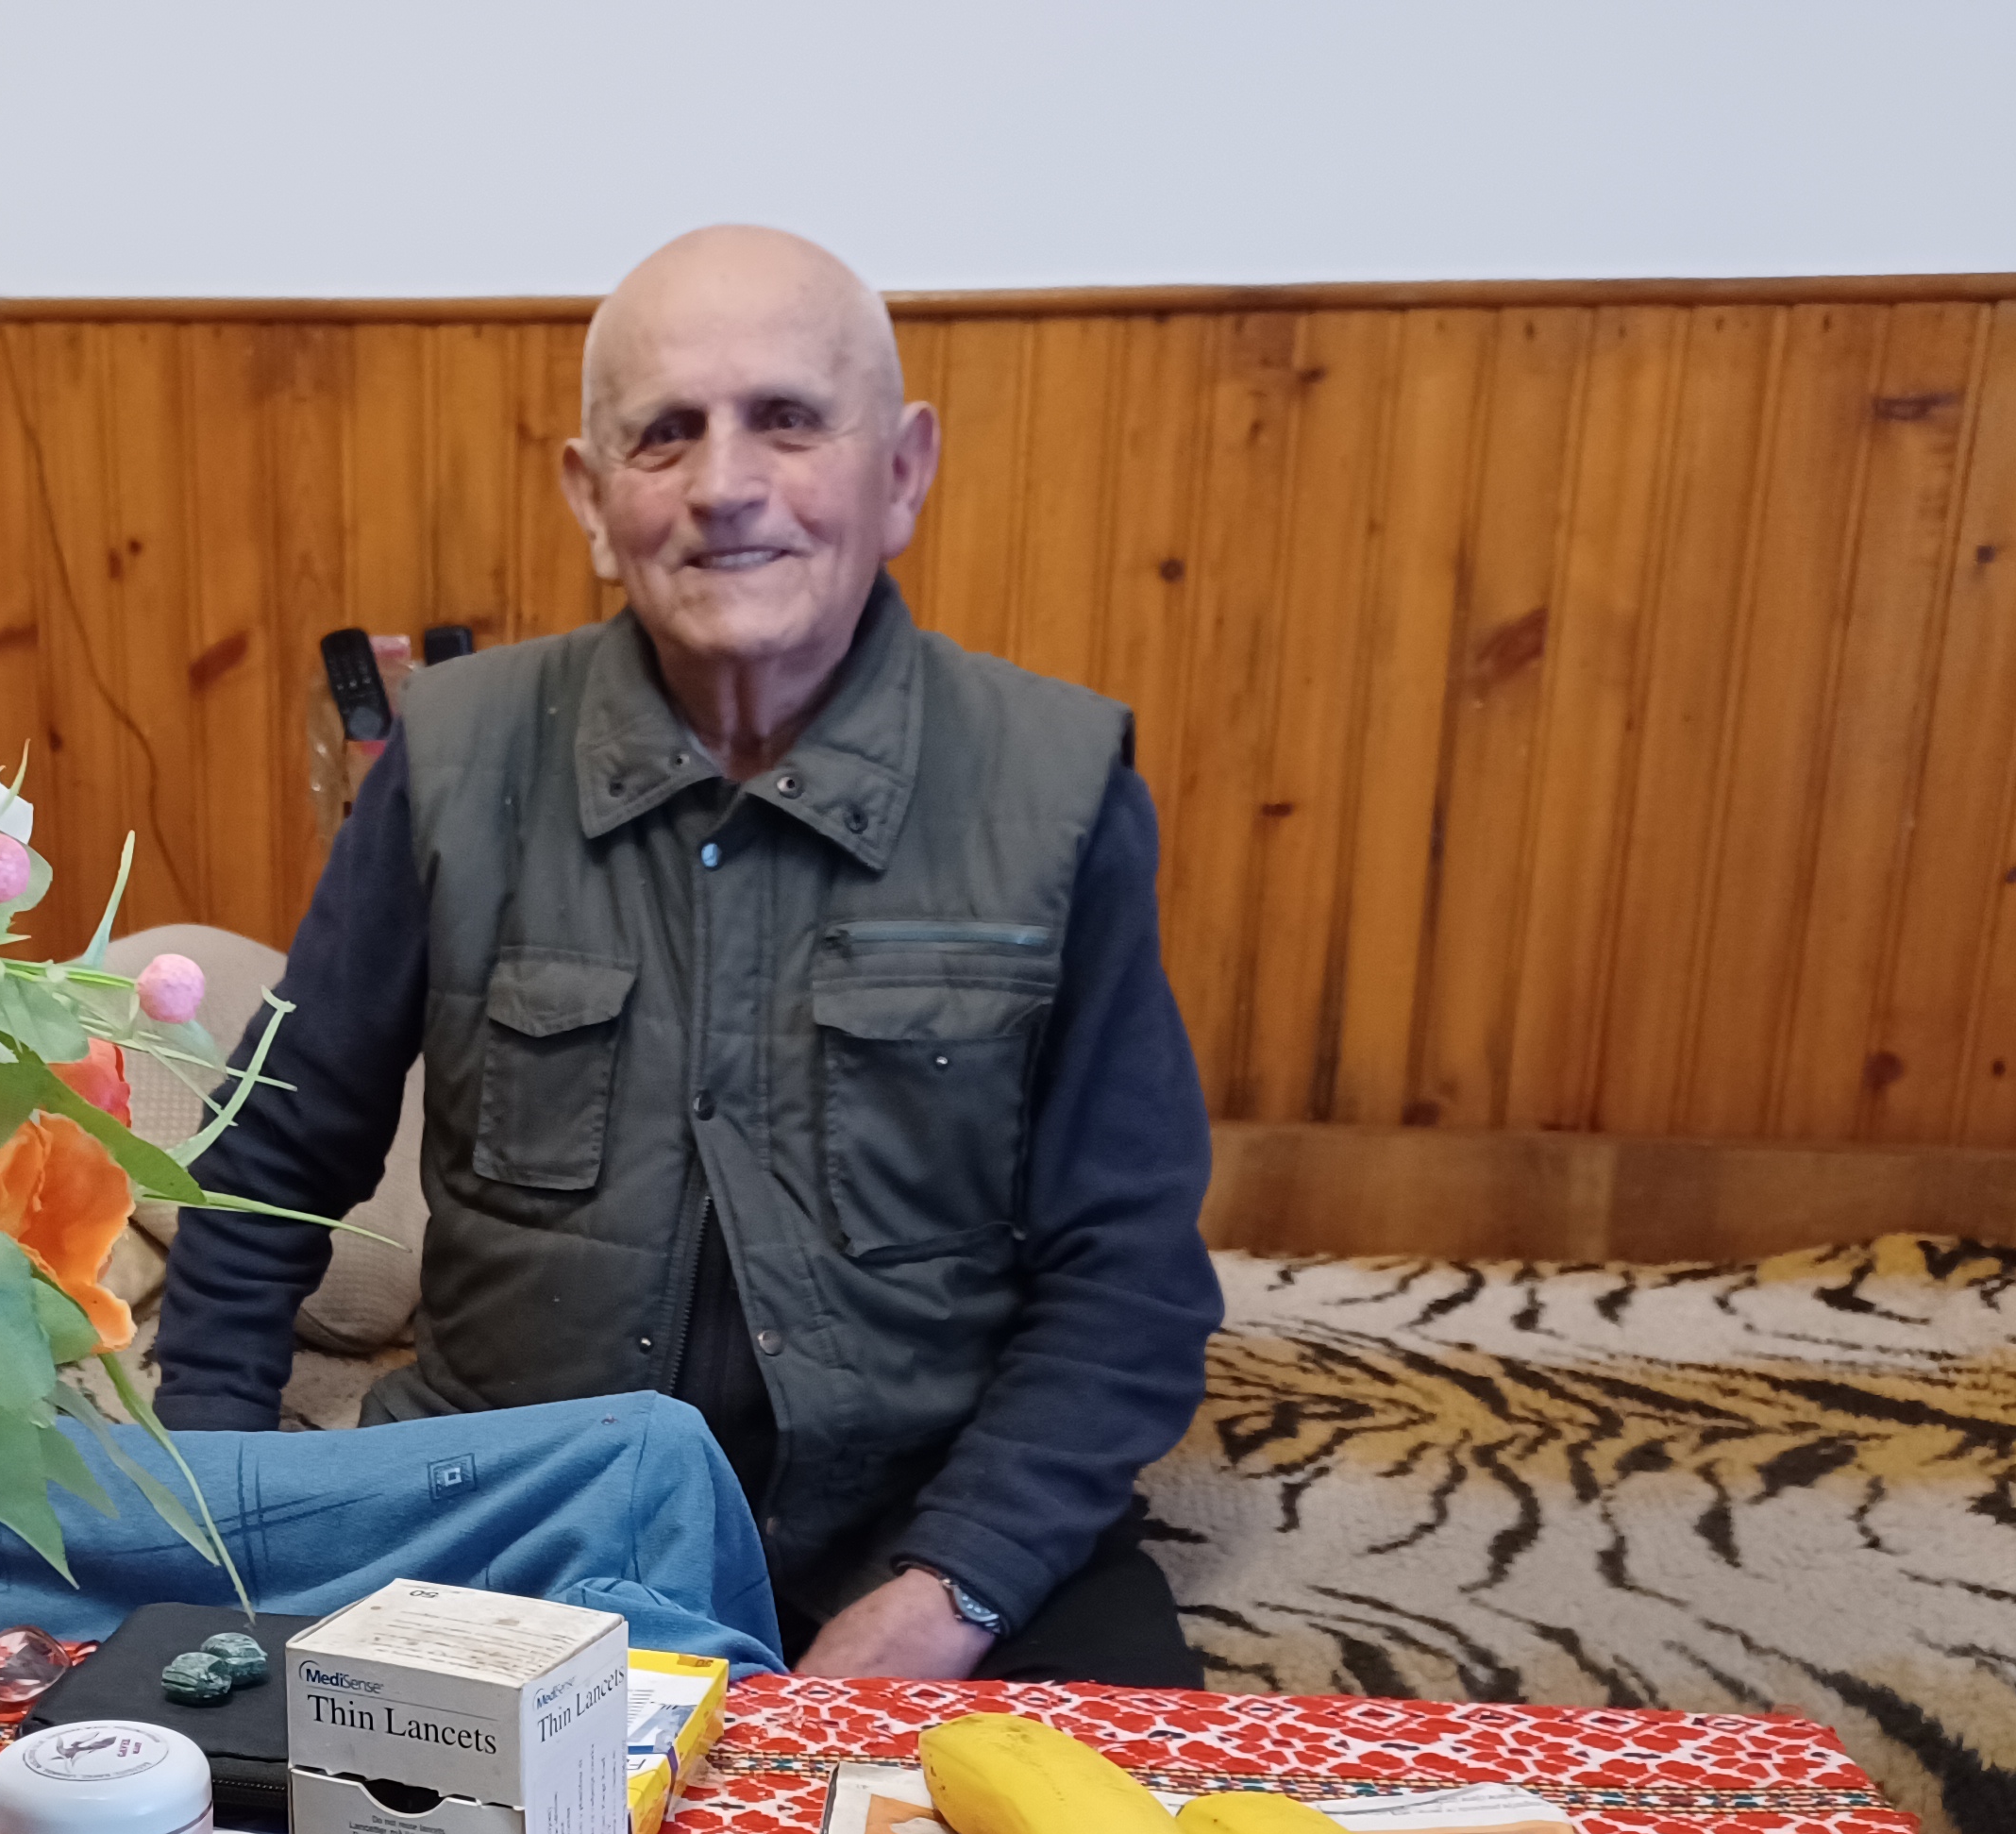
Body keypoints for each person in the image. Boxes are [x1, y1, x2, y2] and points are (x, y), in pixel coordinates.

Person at [149, 226, 1220, 1682]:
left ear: (903, 471)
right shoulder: (452, 761)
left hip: (920, 1534)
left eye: (788, 419)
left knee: (1125, 1812)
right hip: (508, 1522)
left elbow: (1131, 1279)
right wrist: (214, 1521)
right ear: (592, 499)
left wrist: (953, 1587)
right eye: (666, 434)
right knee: (258, 1811)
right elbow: (265, 1162)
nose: (725, 485)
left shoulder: (1060, 786)